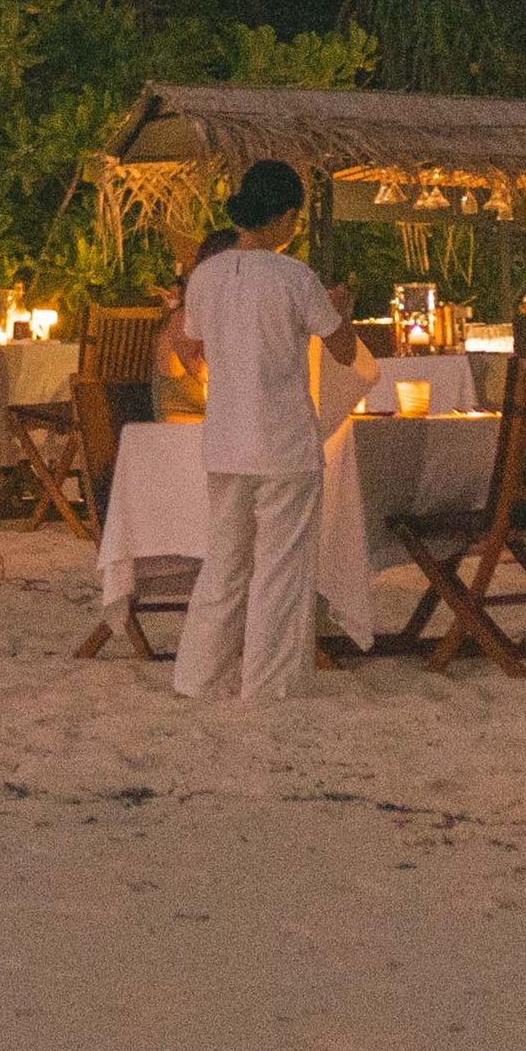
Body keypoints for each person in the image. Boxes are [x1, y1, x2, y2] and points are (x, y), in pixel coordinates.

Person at [159, 160, 363, 702]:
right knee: (282, 567)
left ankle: (199, 675)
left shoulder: (206, 276)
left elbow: (194, 342)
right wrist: (341, 311)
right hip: (283, 439)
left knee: (224, 563)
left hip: (226, 439)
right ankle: (270, 683)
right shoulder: (294, 277)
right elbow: (344, 351)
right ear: (287, 216)